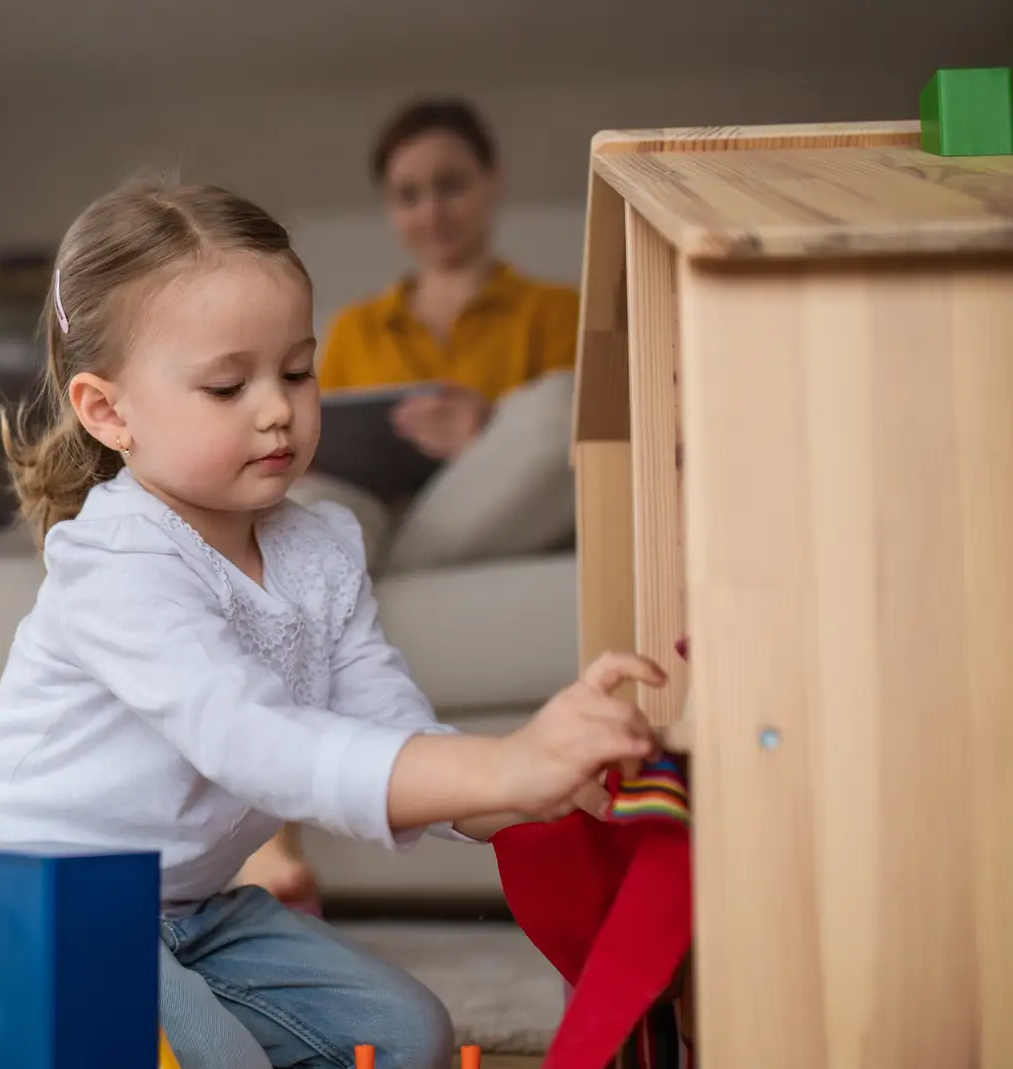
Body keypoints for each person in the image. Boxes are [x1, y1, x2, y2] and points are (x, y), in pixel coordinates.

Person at [0, 177, 665, 1069]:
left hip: (187, 904)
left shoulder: (324, 546)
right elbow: (255, 742)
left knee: (405, 1037)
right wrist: (504, 762)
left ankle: (9, 1019)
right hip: (18, 895)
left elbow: (386, 720)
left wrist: (517, 788)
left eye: (298, 371)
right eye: (228, 384)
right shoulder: (116, 563)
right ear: (108, 412)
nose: (276, 407)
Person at [237, 97, 585, 914]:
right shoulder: (354, 331)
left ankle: (331, 571)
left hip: (477, 516)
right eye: (409, 193)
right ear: (390, 208)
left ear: (492, 183)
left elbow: (558, 459)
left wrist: (487, 430)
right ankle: (269, 836)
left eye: (451, 185)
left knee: (556, 407)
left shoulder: (555, 314)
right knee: (304, 506)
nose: (432, 209)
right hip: (363, 517)